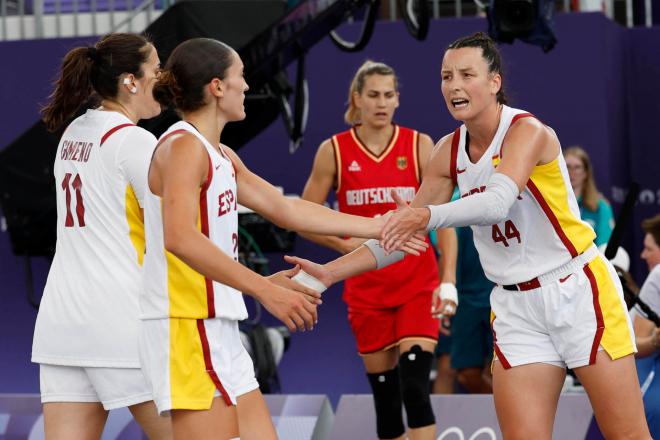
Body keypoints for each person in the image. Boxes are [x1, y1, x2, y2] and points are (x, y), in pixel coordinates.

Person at [287, 32, 651, 439]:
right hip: (515, 305)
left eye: (466, 74)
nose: (454, 85)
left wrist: (424, 215)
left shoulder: (527, 131)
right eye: (446, 76)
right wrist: (329, 273)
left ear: (494, 82)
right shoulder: (447, 151)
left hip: (576, 290)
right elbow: (402, 239)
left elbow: (494, 203)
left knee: (627, 435)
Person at [143, 38, 426, 440]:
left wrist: (378, 226)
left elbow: (287, 209)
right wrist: (262, 289)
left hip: (215, 323)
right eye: (240, 76)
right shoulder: (184, 146)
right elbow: (180, 237)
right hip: (186, 325)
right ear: (217, 87)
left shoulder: (219, 152)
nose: (247, 86)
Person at [298, 60, 455, 440]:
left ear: (398, 100)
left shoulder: (419, 144)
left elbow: (443, 217)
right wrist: (345, 245)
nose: (381, 103)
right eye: (373, 95)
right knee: (386, 402)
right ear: (358, 99)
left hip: (417, 282)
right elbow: (304, 215)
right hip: (366, 289)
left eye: (389, 95)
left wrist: (447, 280)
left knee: (416, 388)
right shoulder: (333, 150)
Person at [32, 33, 171, 439]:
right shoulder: (136, 141)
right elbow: (174, 234)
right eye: (156, 68)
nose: (162, 77)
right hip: (120, 321)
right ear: (131, 80)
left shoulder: (74, 133)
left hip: (62, 322)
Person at [633, 214, 660, 437]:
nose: (643, 255)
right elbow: (637, 347)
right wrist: (655, 340)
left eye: (649, 249)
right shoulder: (658, 276)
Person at [564, 146, 614, 246]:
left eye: (577, 167)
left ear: (586, 172)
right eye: (567, 167)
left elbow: (604, 246)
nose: (572, 172)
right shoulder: (551, 203)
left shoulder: (600, 206)